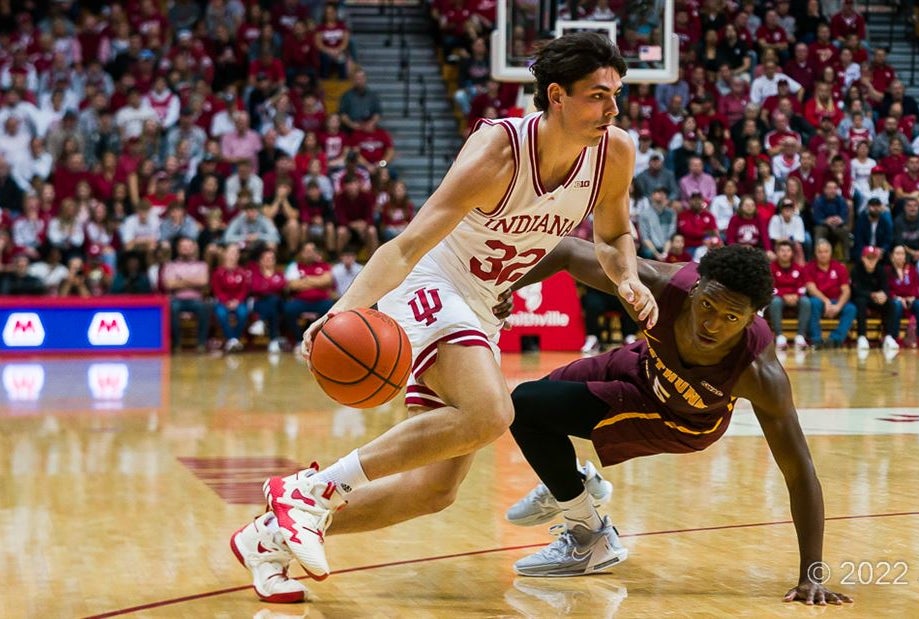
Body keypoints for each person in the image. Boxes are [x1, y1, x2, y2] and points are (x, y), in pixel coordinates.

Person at [229, 33, 658, 602]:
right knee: (490, 413)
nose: (612, 108)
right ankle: (308, 491)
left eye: (616, 94)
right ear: (556, 95)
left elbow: (612, 233)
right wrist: (340, 312)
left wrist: (625, 275)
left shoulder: (614, 151)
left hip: (483, 305)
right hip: (433, 280)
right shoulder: (498, 152)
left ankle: (268, 540)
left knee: (434, 491)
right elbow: (406, 247)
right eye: (598, 96)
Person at [502, 236, 850, 605]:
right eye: (708, 305)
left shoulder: (759, 374)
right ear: (696, 288)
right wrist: (506, 288)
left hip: (679, 419)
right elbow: (569, 251)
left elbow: (800, 471)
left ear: (752, 317)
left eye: (731, 317)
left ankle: (589, 535)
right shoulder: (659, 285)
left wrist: (812, 575)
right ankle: (572, 483)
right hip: (641, 364)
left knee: (525, 405)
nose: (712, 324)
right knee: (537, 400)